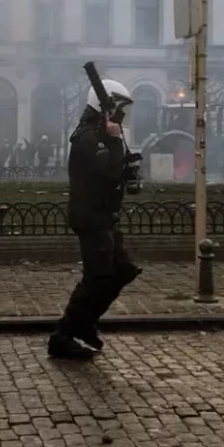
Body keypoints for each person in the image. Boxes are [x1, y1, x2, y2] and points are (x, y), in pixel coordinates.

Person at [49, 78, 140, 359]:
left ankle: (85, 323)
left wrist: (130, 168)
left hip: (105, 216)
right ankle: (63, 335)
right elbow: (106, 170)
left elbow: (115, 171)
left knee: (122, 270)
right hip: (91, 217)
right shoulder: (89, 137)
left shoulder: (103, 135)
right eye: (118, 107)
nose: (122, 114)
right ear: (103, 107)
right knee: (97, 277)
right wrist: (114, 144)